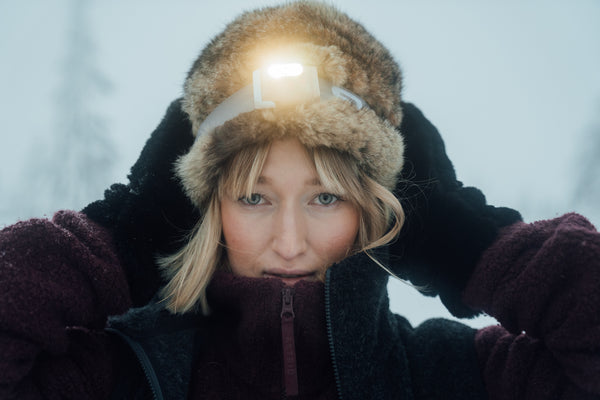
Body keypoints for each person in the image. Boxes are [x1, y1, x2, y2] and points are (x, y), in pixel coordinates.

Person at [1, 2, 599, 399]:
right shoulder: (123, 376)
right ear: (204, 209)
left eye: (326, 197)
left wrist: (467, 242)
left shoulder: (451, 378)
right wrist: (123, 237)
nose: (289, 243)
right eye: (254, 197)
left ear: (372, 209)